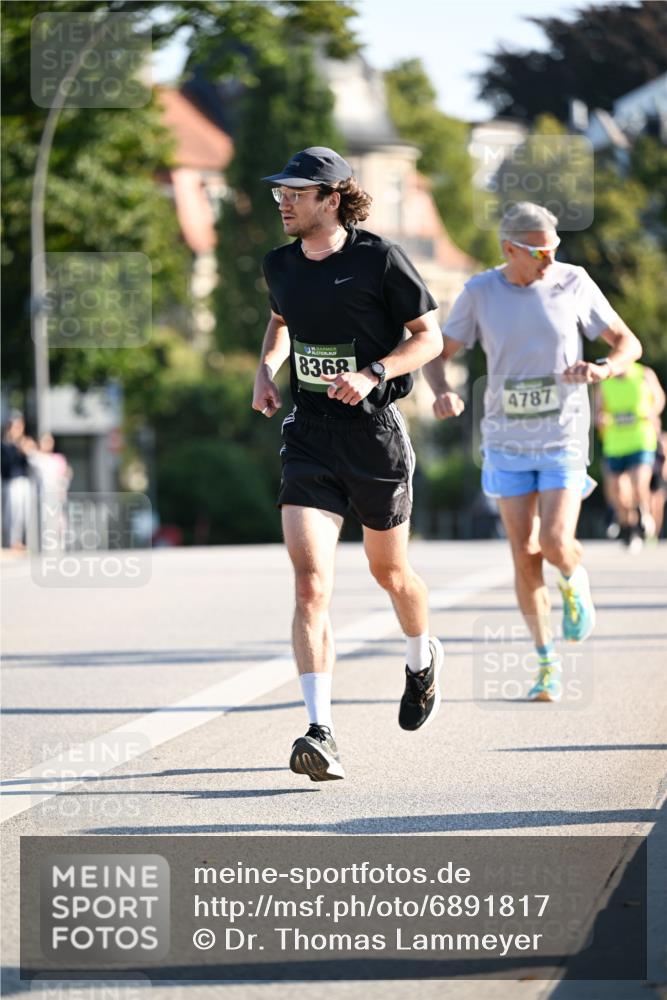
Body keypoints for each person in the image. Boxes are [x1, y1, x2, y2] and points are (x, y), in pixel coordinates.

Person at [252, 146, 444, 780]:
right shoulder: (280, 264)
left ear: (331, 199)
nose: (284, 202)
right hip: (310, 435)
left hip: (374, 437)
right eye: (281, 193)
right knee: (310, 585)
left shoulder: (378, 259)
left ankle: (420, 659)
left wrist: (374, 372)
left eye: (296, 193)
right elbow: (280, 321)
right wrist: (266, 369)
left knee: (390, 572)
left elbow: (429, 338)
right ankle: (320, 730)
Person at [423, 202, 642, 703]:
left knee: (556, 541)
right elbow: (438, 352)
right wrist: (442, 391)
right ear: (510, 249)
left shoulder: (573, 282)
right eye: (540, 252)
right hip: (505, 441)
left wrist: (603, 368)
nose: (551, 260)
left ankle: (573, 578)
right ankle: (547, 664)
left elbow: (628, 342)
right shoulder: (480, 292)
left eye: (555, 249)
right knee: (523, 554)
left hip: (563, 435)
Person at [596, 363, 665, 550]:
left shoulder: (644, 374)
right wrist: (601, 418)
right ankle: (629, 526)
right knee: (618, 491)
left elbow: (659, 398)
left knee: (639, 481)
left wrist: (651, 411)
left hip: (641, 440)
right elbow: (598, 410)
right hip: (615, 444)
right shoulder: (605, 380)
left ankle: (643, 511)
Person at [1, 412, 33, 551]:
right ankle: (12, 541)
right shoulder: (5, 445)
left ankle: (21, 540)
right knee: (12, 514)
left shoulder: (25, 443)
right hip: (11, 482)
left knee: (25, 513)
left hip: (24, 481)